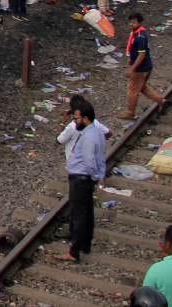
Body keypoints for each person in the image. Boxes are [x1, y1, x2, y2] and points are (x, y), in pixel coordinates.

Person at [54, 101, 106, 263]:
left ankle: (74, 251)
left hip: (81, 178)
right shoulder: (97, 132)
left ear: (85, 118)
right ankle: (85, 245)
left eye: (76, 118)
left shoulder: (89, 137)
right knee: (87, 212)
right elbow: (101, 157)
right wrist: (98, 175)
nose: (75, 121)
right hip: (86, 178)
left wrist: (94, 175)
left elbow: (90, 160)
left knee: (78, 215)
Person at [123, 13, 165, 120]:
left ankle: (130, 113)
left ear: (139, 22)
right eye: (130, 21)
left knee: (132, 90)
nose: (131, 24)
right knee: (142, 87)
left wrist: (132, 69)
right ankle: (161, 101)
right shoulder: (136, 33)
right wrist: (131, 59)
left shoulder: (140, 37)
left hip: (140, 69)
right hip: (144, 66)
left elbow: (142, 55)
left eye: (134, 22)